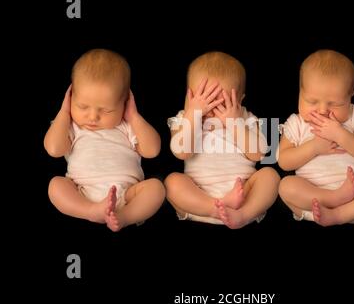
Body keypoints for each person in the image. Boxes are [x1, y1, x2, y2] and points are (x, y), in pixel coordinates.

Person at [44, 48, 165, 232]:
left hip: (128, 194)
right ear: (70, 99)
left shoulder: (126, 126)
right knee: (55, 186)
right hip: (81, 191)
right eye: (82, 106)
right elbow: (54, 149)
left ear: (124, 104)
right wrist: (63, 113)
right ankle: (91, 210)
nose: (92, 117)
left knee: (156, 188)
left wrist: (133, 117)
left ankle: (124, 217)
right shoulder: (70, 126)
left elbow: (152, 150)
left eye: (106, 110)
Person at [165, 51, 280, 229]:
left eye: (221, 103)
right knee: (172, 182)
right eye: (203, 99)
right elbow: (181, 152)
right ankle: (214, 207)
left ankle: (242, 215)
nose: (209, 109)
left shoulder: (247, 118)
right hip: (198, 196)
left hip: (244, 194)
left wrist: (235, 123)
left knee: (270, 176)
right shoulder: (184, 119)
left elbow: (259, 154)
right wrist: (194, 114)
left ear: (239, 101)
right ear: (189, 97)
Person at [278, 49, 354, 226]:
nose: (322, 110)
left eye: (335, 104)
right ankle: (333, 200)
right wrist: (314, 147)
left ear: (350, 97)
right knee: (285, 186)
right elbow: (284, 161)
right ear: (300, 92)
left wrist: (340, 134)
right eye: (312, 101)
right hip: (313, 195)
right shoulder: (296, 123)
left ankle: (338, 215)